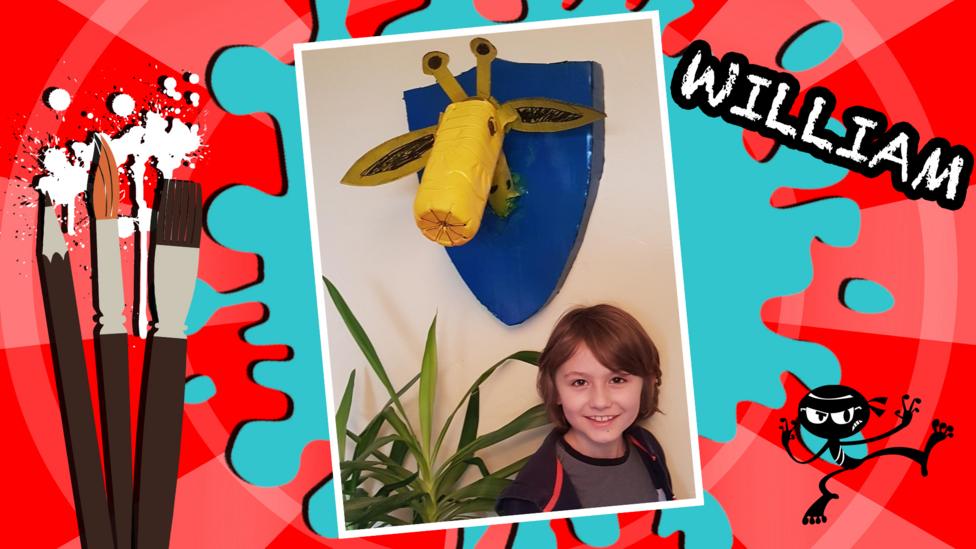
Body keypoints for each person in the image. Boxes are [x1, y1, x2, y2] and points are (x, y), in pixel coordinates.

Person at [495, 304, 674, 515]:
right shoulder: (530, 502)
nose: (600, 401)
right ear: (555, 390)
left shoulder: (647, 446)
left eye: (617, 379)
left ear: (647, 383)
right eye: (579, 382)